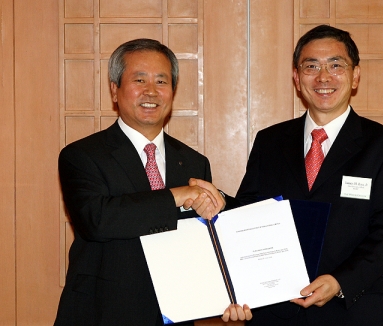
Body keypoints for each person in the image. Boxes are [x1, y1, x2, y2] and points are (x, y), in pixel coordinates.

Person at [54, 39, 251, 326]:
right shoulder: (82, 155)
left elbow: (207, 242)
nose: (151, 91)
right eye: (139, 79)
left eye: (162, 81)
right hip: (101, 312)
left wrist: (233, 293)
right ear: (114, 89)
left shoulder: (194, 163)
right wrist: (176, 196)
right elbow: (97, 219)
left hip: (174, 315)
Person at [228, 24, 383, 325]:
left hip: (353, 306)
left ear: (355, 76)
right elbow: (249, 214)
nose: (324, 77)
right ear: (297, 79)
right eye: (311, 66)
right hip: (276, 309)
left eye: (336, 65)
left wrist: (339, 281)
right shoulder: (270, 141)